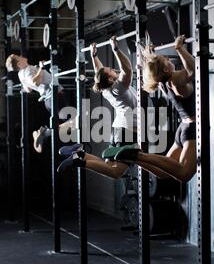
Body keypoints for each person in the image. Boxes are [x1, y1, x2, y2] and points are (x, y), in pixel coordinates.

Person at [110, 35, 196, 183]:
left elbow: (156, 71)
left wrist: (152, 55)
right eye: (167, 61)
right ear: (166, 69)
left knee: (163, 173)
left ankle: (133, 157)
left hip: (183, 128)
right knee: (184, 174)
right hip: (191, 128)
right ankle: (138, 155)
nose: (170, 60)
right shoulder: (174, 80)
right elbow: (192, 70)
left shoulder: (163, 83)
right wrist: (179, 49)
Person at [57, 36, 139, 179]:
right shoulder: (117, 88)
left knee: (108, 167)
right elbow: (127, 68)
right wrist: (116, 49)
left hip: (119, 132)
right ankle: (78, 161)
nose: (114, 69)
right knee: (115, 172)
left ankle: (81, 153)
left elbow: (99, 71)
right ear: (110, 79)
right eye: (111, 71)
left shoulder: (106, 89)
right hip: (126, 134)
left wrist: (94, 55)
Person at [5, 54, 74, 153]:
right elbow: (35, 82)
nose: (21, 55)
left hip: (49, 100)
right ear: (19, 64)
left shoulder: (21, 74)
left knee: (70, 124)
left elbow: (28, 90)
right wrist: (41, 68)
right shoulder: (27, 70)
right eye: (18, 56)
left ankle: (46, 132)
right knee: (73, 122)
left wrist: (38, 72)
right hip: (54, 97)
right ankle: (45, 133)